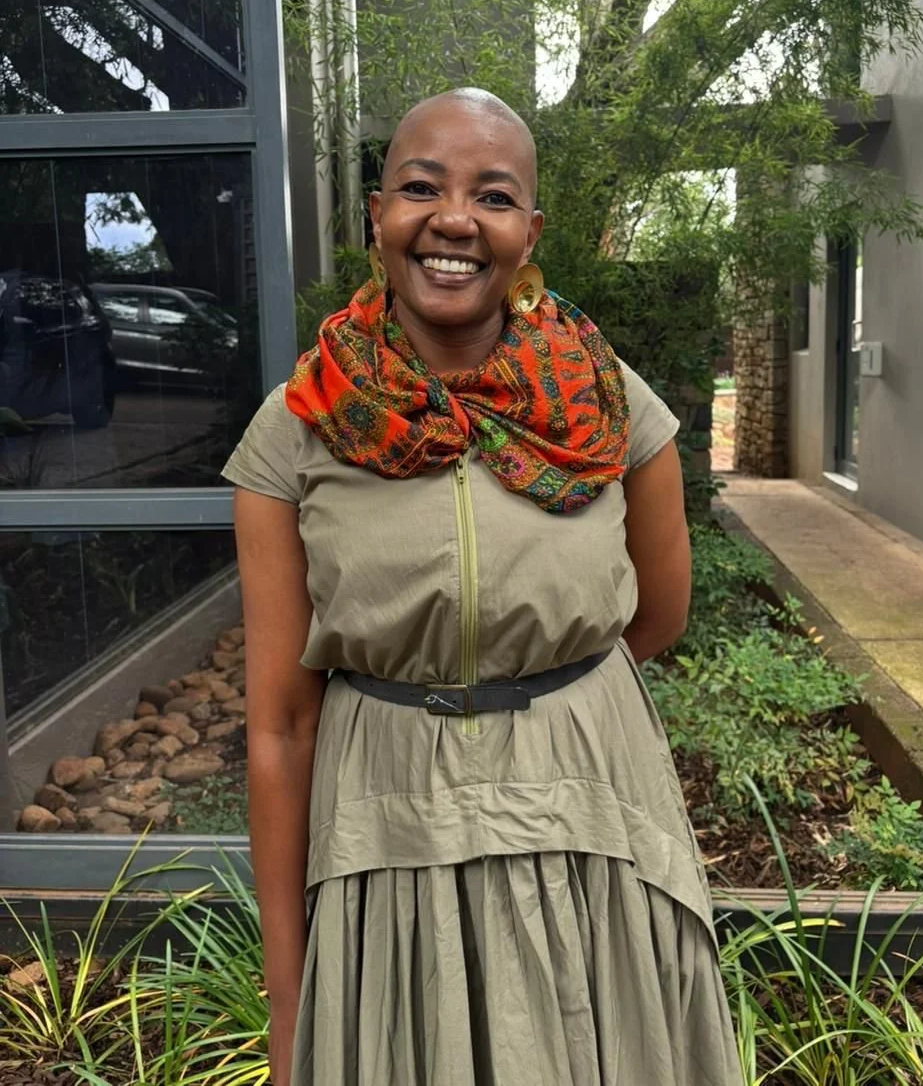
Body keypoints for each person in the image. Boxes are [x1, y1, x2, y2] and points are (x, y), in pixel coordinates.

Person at [223, 88, 743, 1086]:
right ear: (378, 215)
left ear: (528, 231)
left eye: (492, 195)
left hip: (589, 820)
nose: (455, 218)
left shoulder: (608, 404)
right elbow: (281, 728)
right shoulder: (296, 429)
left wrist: (532, 695)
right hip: (390, 834)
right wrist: (289, 996)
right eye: (423, 187)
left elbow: (659, 614)